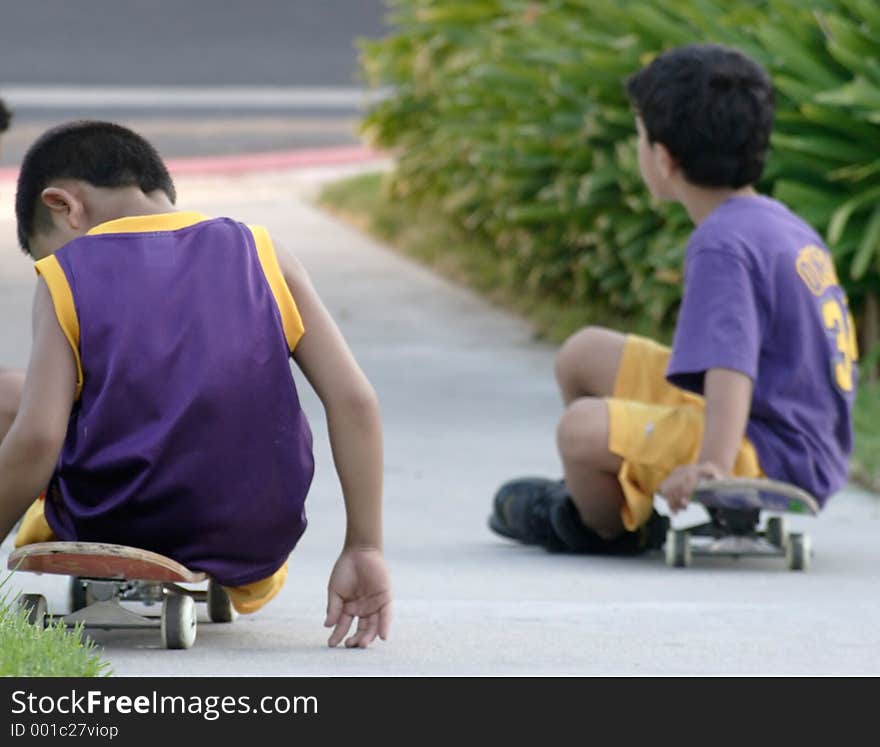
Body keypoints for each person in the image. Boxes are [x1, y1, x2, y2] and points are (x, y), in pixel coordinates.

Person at [0, 120, 391, 648]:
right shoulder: (263, 251)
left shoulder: (68, 272)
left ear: (64, 206)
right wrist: (364, 548)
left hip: (114, 520)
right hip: (251, 535)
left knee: (10, 393)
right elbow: (354, 400)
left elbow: (39, 438)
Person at [489, 43, 856, 555]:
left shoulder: (721, 244)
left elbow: (732, 367)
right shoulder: (775, 222)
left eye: (639, 136)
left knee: (580, 430)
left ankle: (602, 527)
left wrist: (714, 465)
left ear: (663, 158)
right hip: (792, 429)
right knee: (584, 354)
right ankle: (615, 487)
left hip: (770, 452)